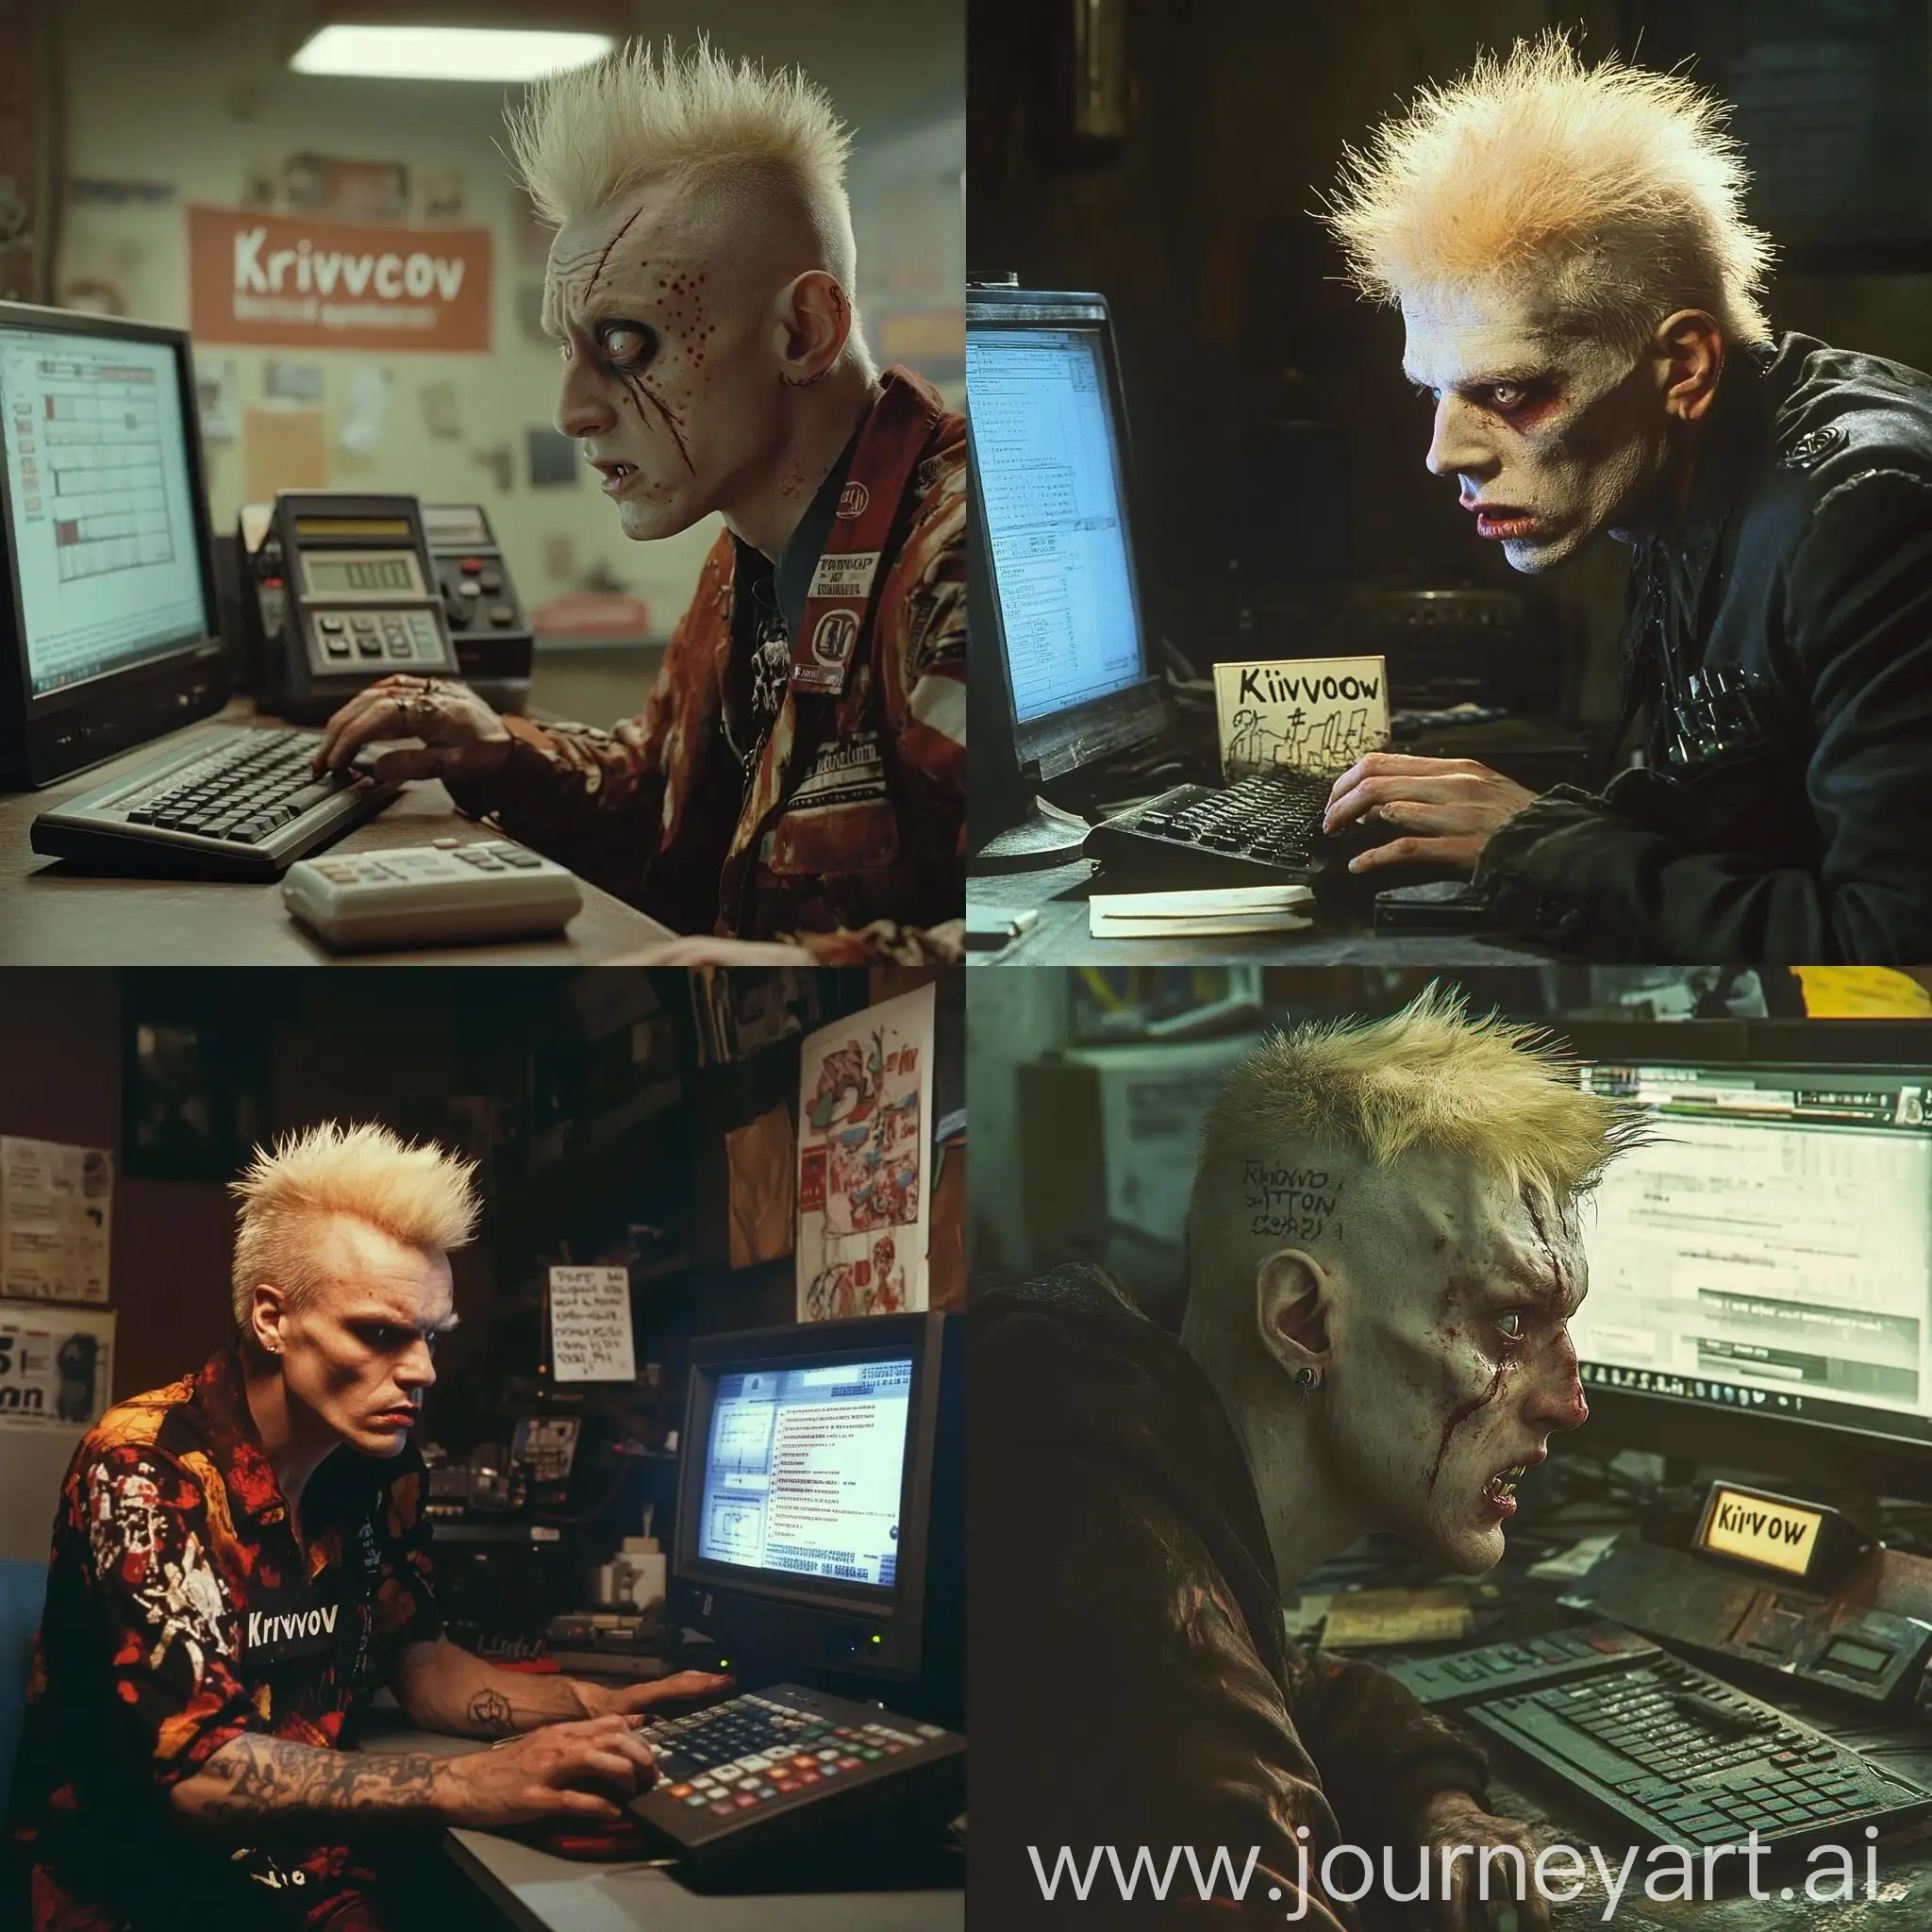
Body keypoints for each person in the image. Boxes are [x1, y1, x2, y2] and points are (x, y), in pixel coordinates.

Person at [974, 990, 1643, 1926]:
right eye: (1507, 1321)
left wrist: (1434, 1800)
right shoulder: (1128, 1614)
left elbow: (1285, 1681)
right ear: (1301, 1318)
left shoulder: (1127, 1460)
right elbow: (1196, 1699)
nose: (1568, 1403)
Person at [313, 42, 965, 966]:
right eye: (567, 348)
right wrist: (500, 748)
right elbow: (656, 788)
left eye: (625, 341)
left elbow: (1032, 917)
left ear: (804, 330)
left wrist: (805, 972)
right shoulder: (746, 545)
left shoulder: (954, 553)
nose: (573, 409)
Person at [4, 1124, 729, 1930]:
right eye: (380, 1333)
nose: (421, 1370)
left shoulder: (380, 1465)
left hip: (319, 1873)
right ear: (272, 1319)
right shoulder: (144, 1468)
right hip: (147, 1897)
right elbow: (197, 1774)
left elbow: (420, 1664)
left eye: (430, 1336)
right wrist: (468, 1784)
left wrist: (594, 1704)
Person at [1316, 36, 1932, 964]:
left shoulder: (1865, 514)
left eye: (1508, 392)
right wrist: (1522, 822)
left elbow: (1896, 949)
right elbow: (1740, 807)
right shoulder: (1682, 471)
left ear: (1680, 365)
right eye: (1430, 391)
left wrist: (1541, 845)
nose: (1445, 453)